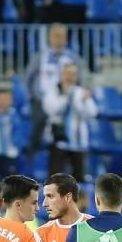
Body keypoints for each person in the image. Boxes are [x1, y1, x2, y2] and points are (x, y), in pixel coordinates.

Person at [23, 23, 80, 152]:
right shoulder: (39, 56)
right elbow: (28, 78)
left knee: (65, 135)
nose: (59, 39)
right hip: (40, 101)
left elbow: (79, 79)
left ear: (66, 38)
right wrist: (33, 98)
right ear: (49, 38)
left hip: (66, 101)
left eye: (62, 36)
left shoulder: (72, 57)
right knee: (37, 132)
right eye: (56, 36)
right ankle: (33, 161)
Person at [43, 63, 98, 180]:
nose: (69, 77)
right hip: (59, 140)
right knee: (55, 178)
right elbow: (51, 110)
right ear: (61, 75)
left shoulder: (81, 92)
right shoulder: (53, 91)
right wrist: (67, 96)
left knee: (79, 178)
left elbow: (92, 113)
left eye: (73, 74)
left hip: (78, 141)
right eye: (67, 73)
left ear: (77, 76)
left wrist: (84, 101)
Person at [0, 89, 26, 178]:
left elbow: (21, 135)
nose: (3, 101)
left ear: (11, 101)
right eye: (1, 99)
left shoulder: (17, 116)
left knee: (11, 184)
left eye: (6, 99)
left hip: (11, 154)